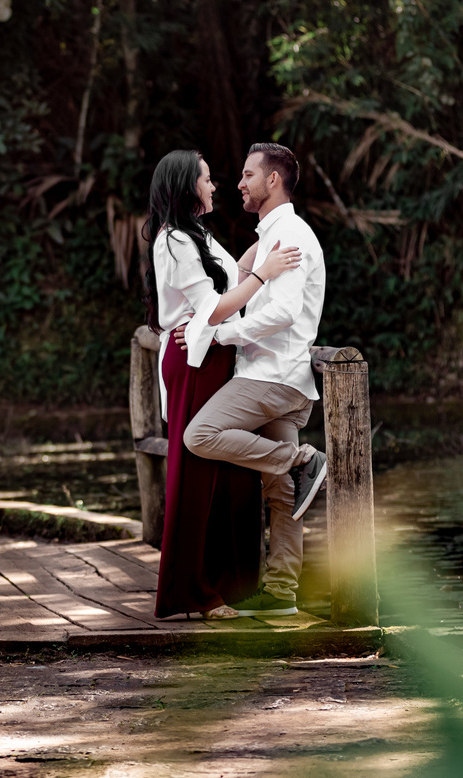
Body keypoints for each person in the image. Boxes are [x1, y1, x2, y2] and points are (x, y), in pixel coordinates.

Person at [143, 149, 301, 620]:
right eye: (207, 179)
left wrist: (261, 252)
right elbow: (214, 309)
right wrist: (263, 275)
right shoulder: (174, 240)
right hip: (195, 360)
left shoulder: (197, 234)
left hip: (217, 357)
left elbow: (230, 279)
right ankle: (195, 593)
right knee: (197, 476)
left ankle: (232, 585)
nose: (215, 186)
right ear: (185, 185)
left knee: (232, 475)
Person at [180, 142, 328, 618]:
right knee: (282, 492)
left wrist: (222, 335)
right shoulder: (270, 236)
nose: (239, 183)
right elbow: (237, 283)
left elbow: (284, 311)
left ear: (273, 180)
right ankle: (283, 591)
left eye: (248, 175)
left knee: (200, 435)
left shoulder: (290, 236)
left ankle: (303, 459)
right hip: (284, 377)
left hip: (273, 375)